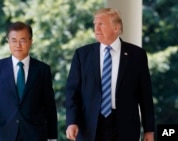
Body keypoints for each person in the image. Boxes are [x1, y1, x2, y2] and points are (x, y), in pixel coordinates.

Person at [65, 8, 155, 141]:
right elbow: (72, 92)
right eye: (95, 24)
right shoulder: (82, 55)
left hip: (125, 127)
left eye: (101, 24)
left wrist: (149, 130)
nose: (96, 28)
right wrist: (71, 121)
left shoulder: (137, 55)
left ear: (116, 28)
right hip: (89, 126)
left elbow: (145, 95)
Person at [0, 21, 58, 141]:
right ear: (8, 41)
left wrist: (52, 138)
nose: (18, 45)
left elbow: (49, 105)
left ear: (31, 41)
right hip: (4, 134)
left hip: (35, 135)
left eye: (23, 40)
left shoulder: (42, 70)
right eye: (14, 40)